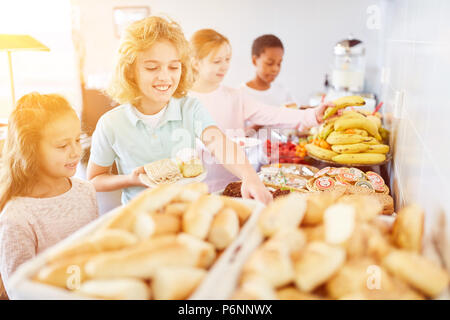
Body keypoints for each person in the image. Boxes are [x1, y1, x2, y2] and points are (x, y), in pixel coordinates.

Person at [87, 16, 272, 204]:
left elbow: (219, 144)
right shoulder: (110, 123)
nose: (165, 77)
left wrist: (250, 176)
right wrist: (131, 180)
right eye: (152, 67)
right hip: (142, 214)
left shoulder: (190, 107)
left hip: (189, 208)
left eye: (173, 67)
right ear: (130, 71)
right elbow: (95, 179)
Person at [189, 29, 330, 191]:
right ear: (195, 62)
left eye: (227, 59)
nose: (224, 66)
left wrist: (312, 115)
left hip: (238, 184)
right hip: (199, 188)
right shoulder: (182, 99)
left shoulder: (235, 96)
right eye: (217, 61)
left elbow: (273, 113)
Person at [0, 93, 99, 298]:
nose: (75, 152)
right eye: (62, 146)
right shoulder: (17, 217)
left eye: (77, 140)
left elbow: (96, 251)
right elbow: (19, 291)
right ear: (31, 150)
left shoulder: (86, 191)